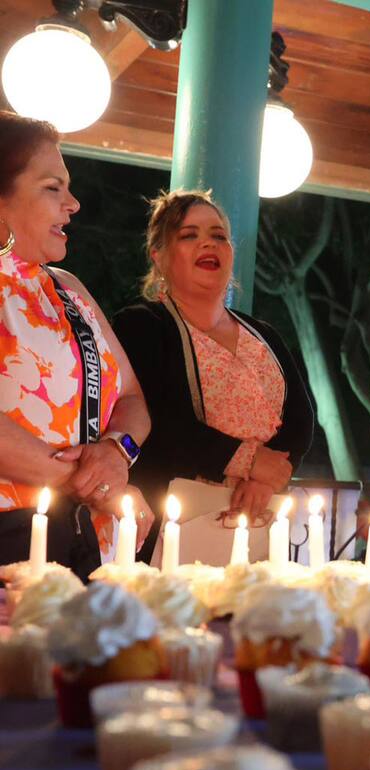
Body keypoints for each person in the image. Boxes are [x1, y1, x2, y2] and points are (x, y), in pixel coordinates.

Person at [112, 190, 314, 561]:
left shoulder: (264, 334)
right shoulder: (140, 326)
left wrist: (264, 480)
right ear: (159, 256)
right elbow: (158, 419)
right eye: (189, 235)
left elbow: (302, 418)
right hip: (171, 526)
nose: (208, 242)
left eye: (218, 235)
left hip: (260, 515)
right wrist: (248, 460)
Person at [0, 111, 153, 578]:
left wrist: (114, 452)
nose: (74, 204)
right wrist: (98, 485)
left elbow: (131, 400)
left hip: (92, 541)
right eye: (53, 188)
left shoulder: (68, 286)